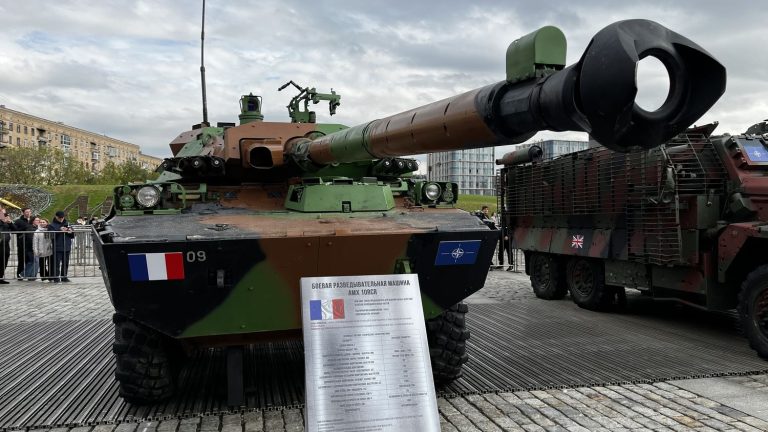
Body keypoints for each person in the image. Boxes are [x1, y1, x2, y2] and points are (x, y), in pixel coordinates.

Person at [48, 210, 74, 283]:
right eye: (59, 218)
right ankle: (56, 277)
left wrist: (70, 231)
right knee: (56, 263)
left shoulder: (67, 224)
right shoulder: (51, 225)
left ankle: (64, 276)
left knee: (65, 263)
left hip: (67, 246)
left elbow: (72, 236)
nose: (61, 219)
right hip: (57, 247)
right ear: (56, 217)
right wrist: (59, 231)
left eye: (62, 217)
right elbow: (51, 236)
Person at [13, 207, 34, 280]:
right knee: (21, 260)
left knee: (30, 260)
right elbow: (15, 230)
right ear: (23, 213)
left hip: (31, 243)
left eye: (29, 211)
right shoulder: (18, 221)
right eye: (27, 212)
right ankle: (19, 275)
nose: (28, 213)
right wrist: (24, 228)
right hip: (21, 243)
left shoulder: (32, 220)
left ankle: (29, 275)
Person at [34, 218, 53, 282]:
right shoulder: (37, 231)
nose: (42, 223)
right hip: (41, 250)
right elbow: (35, 242)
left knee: (51, 264)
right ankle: (44, 277)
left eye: (43, 222)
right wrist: (35, 250)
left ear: (47, 223)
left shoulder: (50, 230)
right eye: (41, 222)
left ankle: (51, 276)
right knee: (42, 264)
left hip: (49, 249)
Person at [0, 207, 13, 284]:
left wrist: (10, 223)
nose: (5, 215)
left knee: (4, 260)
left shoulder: (6, 222)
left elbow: (15, 230)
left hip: (5, 244)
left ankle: (1, 277)